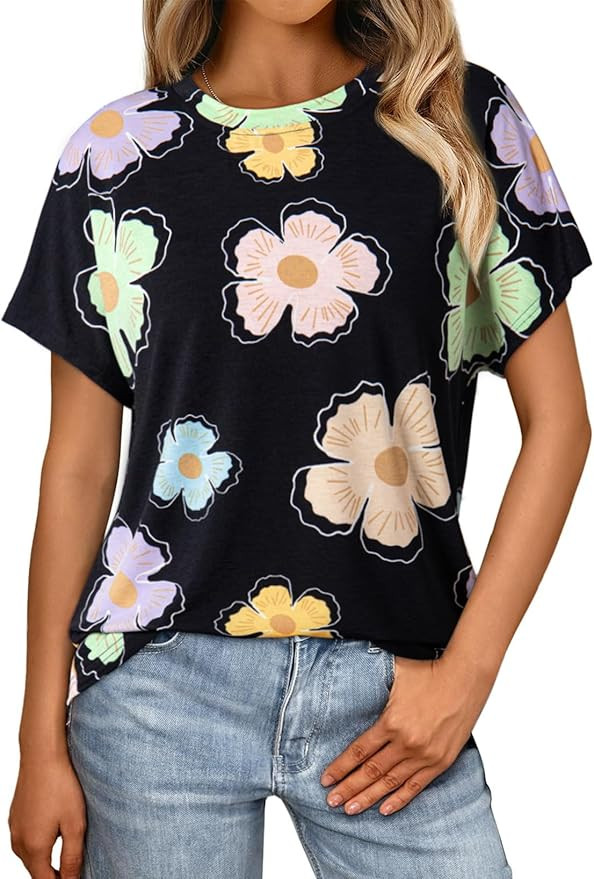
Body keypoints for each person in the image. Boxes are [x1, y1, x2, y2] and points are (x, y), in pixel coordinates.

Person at [3, 0, 591, 877]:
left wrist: (466, 677)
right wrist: (37, 737)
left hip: (394, 688)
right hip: (156, 694)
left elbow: (562, 425)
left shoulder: (457, 117)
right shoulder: (115, 157)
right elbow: (79, 467)